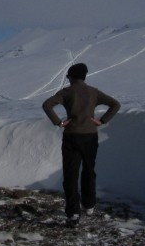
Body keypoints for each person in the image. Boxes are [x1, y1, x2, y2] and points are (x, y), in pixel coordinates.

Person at [42, 63, 120, 226]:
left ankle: (73, 213)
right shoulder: (93, 92)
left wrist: (59, 122)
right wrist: (102, 120)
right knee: (89, 170)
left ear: (71, 76)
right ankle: (89, 204)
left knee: (71, 174)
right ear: (84, 76)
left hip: (71, 135)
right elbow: (115, 104)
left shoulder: (67, 92)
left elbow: (47, 105)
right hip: (90, 136)